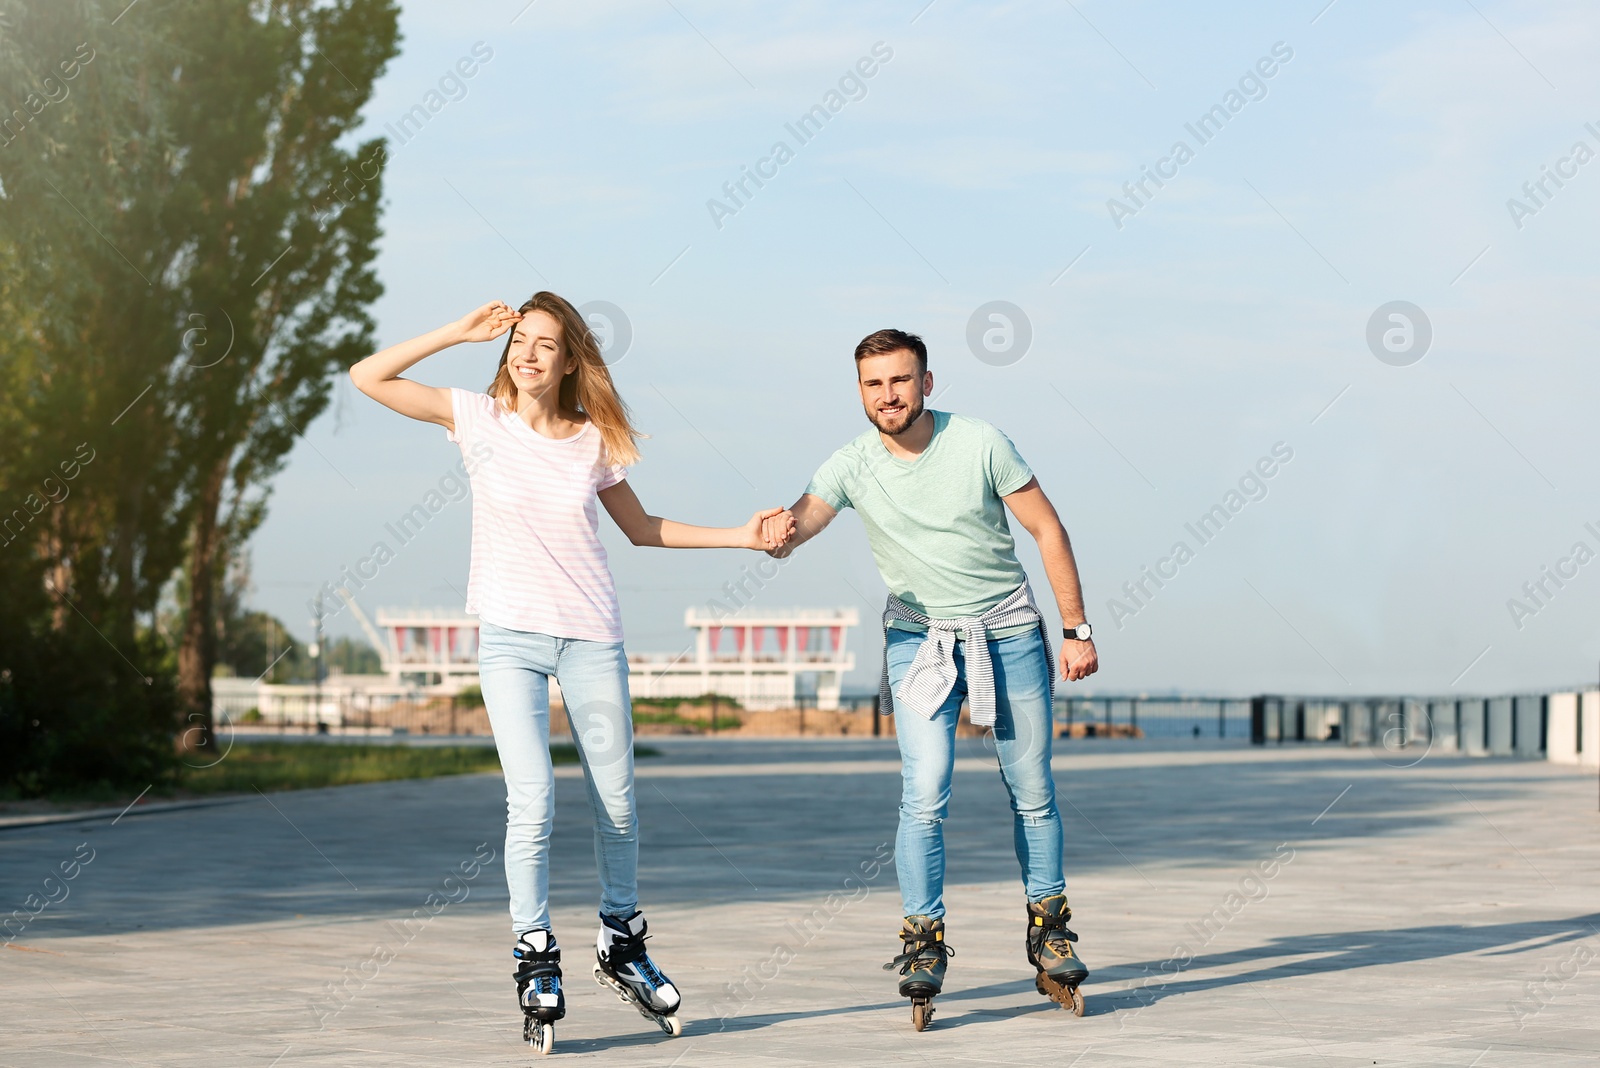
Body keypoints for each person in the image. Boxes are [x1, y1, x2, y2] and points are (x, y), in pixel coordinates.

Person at [349, 292, 793, 1052]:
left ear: (568, 360)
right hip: (510, 643)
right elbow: (367, 375)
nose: (528, 354)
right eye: (520, 340)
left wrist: (741, 539)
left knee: (616, 801)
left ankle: (621, 940)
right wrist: (458, 330)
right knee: (534, 801)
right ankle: (535, 954)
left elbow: (643, 530)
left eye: (545, 344)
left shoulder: (591, 442)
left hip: (590, 638)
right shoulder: (475, 418)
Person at [763, 328, 1099, 1028]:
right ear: (860, 391)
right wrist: (771, 532)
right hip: (917, 637)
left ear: (926, 382)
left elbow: (1047, 528)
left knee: (1031, 788)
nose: (887, 395)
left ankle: (1050, 928)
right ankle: (923, 939)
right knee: (924, 791)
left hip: (1006, 630)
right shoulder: (852, 464)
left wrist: (1075, 628)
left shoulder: (980, 442)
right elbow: (803, 521)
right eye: (873, 384)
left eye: (899, 380)